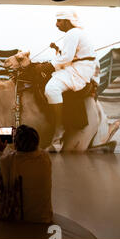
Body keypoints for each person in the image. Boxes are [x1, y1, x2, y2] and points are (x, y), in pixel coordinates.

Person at [45, 10, 97, 151]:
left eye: (59, 21)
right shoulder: (76, 33)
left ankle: (59, 127)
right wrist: (56, 49)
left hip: (79, 70)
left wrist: (49, 65)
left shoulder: (72, 33)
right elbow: (69, 55)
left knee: (51, 89)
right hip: (79, 67)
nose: (56, 24)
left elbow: (67, 58)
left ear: (67, 21)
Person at [0, 125, 53, 223]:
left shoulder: (7, 161)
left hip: (17, 218)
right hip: (43, 216)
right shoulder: (45, 158)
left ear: (16, 143)